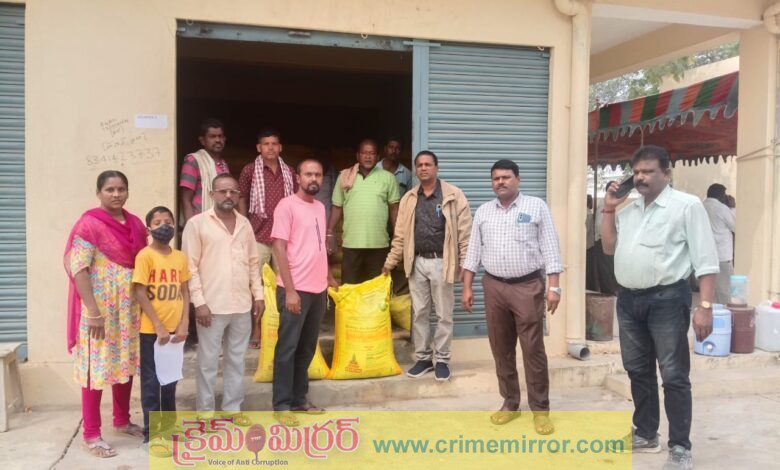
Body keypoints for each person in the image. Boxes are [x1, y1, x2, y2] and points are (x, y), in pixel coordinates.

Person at [600, 145, 719, 469]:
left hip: (667, 299)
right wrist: (608, 208)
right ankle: (646, 433)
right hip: (629, 301)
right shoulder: (628, 211)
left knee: (674, 374)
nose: (641, 177)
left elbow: (706, 261)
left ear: (666, 173)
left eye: (648, 171)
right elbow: (608, 247)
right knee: (637, 370)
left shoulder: (686, 206)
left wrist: (705, 306)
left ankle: (680, 447)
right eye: (637, 172)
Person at [461, 159, 562, 435]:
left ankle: (540, 410)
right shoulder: (483, 211)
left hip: (527, 287)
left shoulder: (536, 207)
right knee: (501, 348)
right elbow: (473, 252)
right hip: (494, 287)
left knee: (532, 349)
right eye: (496, 178)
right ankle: (510, 403)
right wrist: (467, 287)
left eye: (506, 177)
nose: (500, 182)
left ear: (517, 179)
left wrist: (554, 287)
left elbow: (550, 247)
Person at [64, 170, 147, 458]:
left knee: (125, 362)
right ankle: (91, 434)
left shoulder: (136, 224)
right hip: (99, 310)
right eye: (110, 189)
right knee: (95, 369)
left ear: (127, 192)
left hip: (128, 309)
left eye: (121, 188)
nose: (116, 194)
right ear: (98, 193)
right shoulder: (89, 224)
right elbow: (78, 269)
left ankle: (122, 420)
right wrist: (93, 311)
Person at [181, 174, 264, 427]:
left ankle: (232, 409)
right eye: (223, 191)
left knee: (236, 360)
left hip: (241, 305)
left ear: (238, 195)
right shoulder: (197, 224)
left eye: (233, 192)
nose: (228, 196)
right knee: (207, 362)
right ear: (212, 194)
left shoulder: (244, 224)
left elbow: (253, 262)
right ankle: (205, 413)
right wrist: (199, 303)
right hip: (211, 306)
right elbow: (189, 267)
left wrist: (258, 295)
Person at [382, 150, 472, 381]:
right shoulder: (409, 198)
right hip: (417, 262)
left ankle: (442, 360)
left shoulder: (453, 195)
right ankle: (423, 359)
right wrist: (390, 262)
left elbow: (465, 235)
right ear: (416, 169)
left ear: (436, 168)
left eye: (428, 164)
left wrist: (464, 264)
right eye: (419, 165)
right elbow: (400, 235)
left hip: (443, 262)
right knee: (420, 313)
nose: (423, 168)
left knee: (443, 314)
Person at [271, 160, 339, 427]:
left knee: (307, 348)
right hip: (295, 289)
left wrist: (328, 276)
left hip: (317, 289)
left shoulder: (320, 207)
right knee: (287, 347)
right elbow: (279, 247)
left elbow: (320, 246)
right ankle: (281, 405)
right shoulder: (286, 205)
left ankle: (300, 399)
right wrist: (289, 291)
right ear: (298, 177)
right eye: (308, 174)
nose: (313, 178)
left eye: (318, 175)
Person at [132, 206, 191, 457]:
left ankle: (168, 429)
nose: (164, 226)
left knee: (170, 381)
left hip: (176, 331)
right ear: (149, 228)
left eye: (168, 221)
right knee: (151, 383)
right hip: (152, 332)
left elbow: (185, 291)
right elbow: (139, 291)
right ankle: (151, 435)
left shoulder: (180, 257)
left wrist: (184, 323)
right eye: (157, 222)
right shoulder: (145, 256)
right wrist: (157, 325)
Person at [238, 128, 298, 349]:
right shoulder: (249, 171)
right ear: (259, 148)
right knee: (257, 286)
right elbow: (242, 198)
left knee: (284, 285)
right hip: (258, 235)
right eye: (266, 144)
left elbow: (296, 202)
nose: (270, 148)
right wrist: (244, 226)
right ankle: (257, 328)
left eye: (274, 144)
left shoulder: (289, 171)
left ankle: (280, 329)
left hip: (284, 239)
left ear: (280, 147)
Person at [328, 139, 400, 284]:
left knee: (376, 288)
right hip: (351, 245)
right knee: (350, 287)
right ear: (357, 155)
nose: (368, 156)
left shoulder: (388, 178)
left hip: (379, 245)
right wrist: (329, 231)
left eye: (371, 153)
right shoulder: (345, 177)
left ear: (377, 157)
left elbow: (394, 208)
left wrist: (397, 235)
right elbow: (337, 207)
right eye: (364, 153)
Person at [179, 118, 231, 225]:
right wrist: (191, 228)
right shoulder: (193, 161)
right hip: (200, 223)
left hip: (221, 224)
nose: (218, 140)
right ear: (202, 140)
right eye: (212, 136)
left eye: (220, 136)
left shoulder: (224, 165)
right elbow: (186, 200)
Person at [702, 183, 736, 305]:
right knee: (726, 292)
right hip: (722, 256)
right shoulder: (722, 208)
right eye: (724, 194)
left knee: (709, 292)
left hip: (705, 255)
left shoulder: (701, 206)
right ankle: (726, 314)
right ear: (719, 195)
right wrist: (732, 207)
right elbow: (736, 226)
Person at [586, 195, 597, 291]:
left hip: (587, 247)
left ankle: (589, 287)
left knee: (588, 270)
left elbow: (585, 231)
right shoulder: (588, 213)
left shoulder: (587, 214)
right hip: (589, 246)